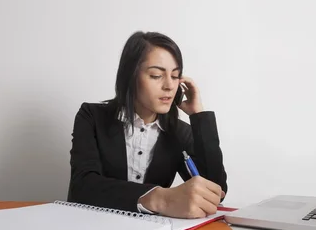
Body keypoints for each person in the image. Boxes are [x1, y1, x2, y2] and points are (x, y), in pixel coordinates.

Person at [67, 31, 228, 219]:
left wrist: (199, 117)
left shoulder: (178, 132)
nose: (169, 85)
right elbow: (82, 187)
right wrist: (159, 198)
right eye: (156, 75)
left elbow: (216, 192)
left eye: (175, 76)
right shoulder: (92, 116)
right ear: (131, 76)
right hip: (90, 227)